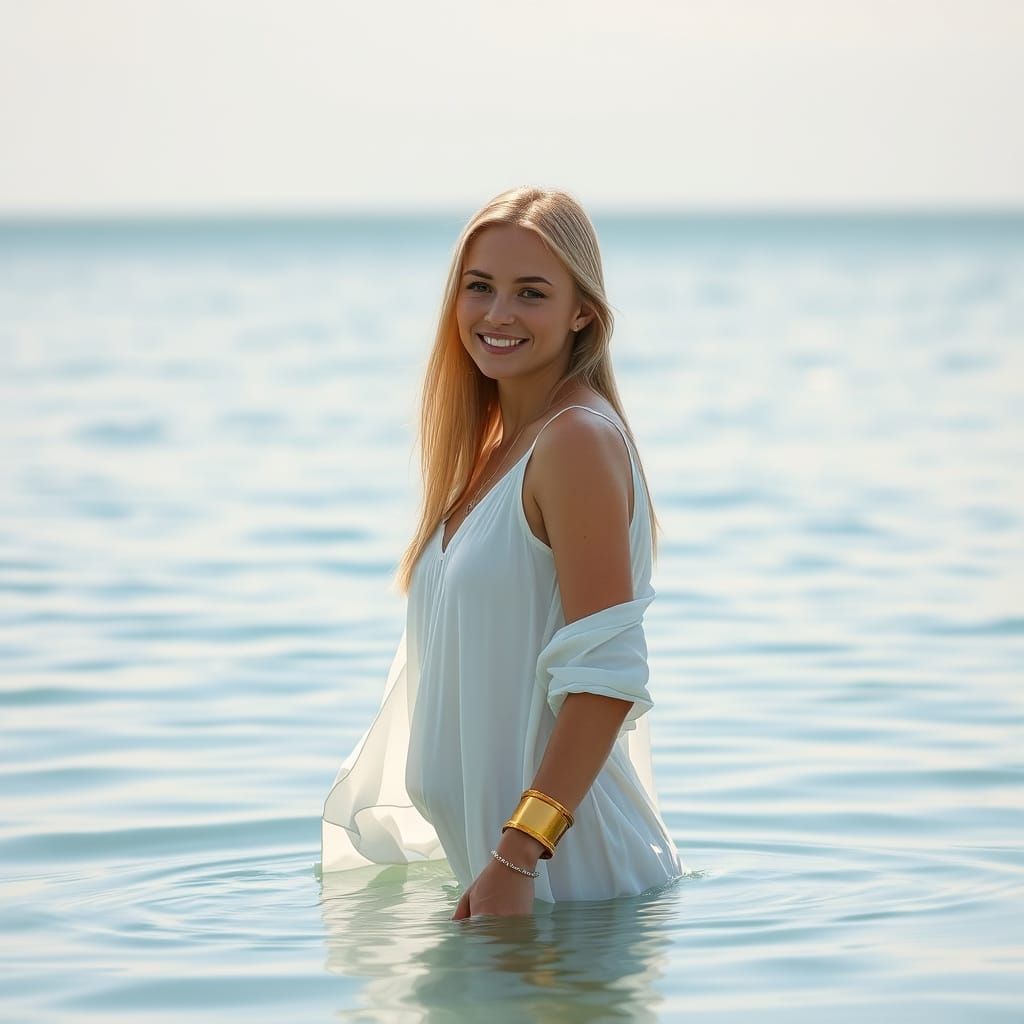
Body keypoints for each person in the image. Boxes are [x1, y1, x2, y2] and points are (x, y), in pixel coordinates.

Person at [321, 186, 685, 918]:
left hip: (570, 885)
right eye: (480, 286)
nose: (498, 314)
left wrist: (517, 855)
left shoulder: (575, 441)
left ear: (582, 312)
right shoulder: (495, 450)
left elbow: (607, 679)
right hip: (509, 883)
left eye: (531, 293)